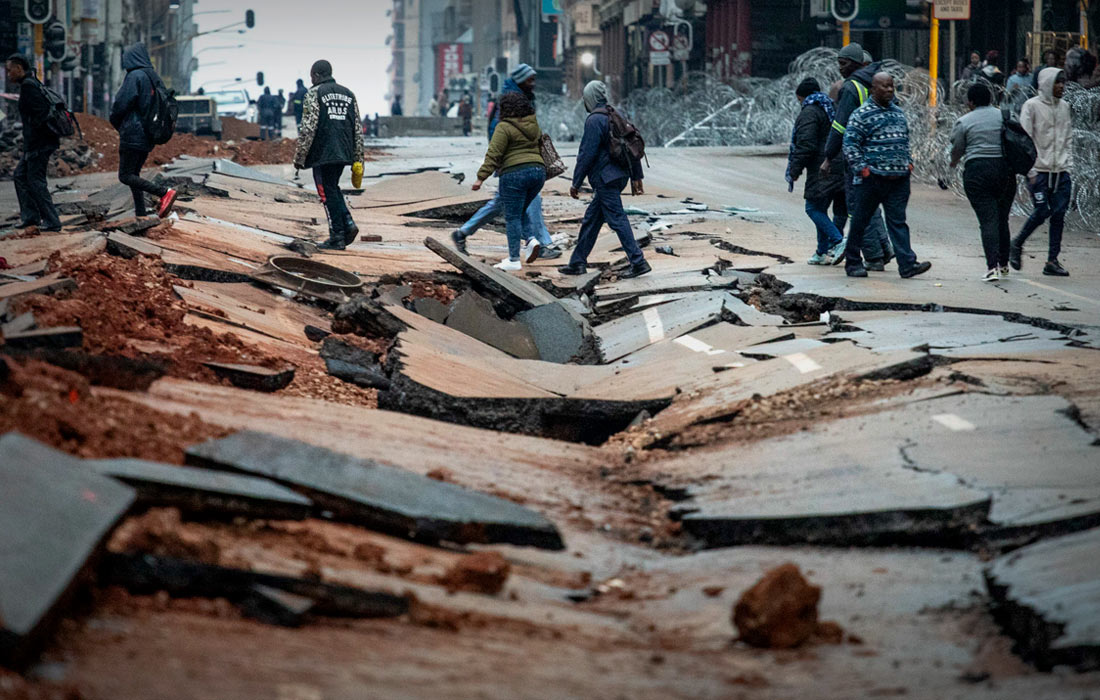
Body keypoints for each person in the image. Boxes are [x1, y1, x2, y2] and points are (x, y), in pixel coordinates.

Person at [451, 63, 561, 261]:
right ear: (520, 80)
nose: (533, 84)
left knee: (501, 203)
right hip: (513, 167)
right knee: (531, 203)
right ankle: (538, 245)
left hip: (519, 165)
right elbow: (497, 134)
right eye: (530, 80)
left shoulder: (522, 97)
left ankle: (462, 233)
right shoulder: (511, 100)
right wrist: (496, 165)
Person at [842, 72, 932, 280]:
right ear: (873, 89)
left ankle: (907, 265)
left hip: (898, 179)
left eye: (891, 86)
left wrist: (908, 162)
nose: (890, 90)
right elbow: (850, 144)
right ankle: (853, 262)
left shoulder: (898, 113)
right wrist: (863, 169)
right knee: (861, 222)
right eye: (884, 86)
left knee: (898, 222)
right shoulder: (861, 114)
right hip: (872, 179)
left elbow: (904, 141)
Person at [558, 81, 650, 279]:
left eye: (585, 98)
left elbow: (586, 154)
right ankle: (577, 262)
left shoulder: (594, 120)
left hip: (605, 178)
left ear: (590, 99)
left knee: (617, 219)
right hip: (619, 176)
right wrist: (636, 176)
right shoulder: (615, 115)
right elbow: (631, 145)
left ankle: (638, 261)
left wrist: (576, 182)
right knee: (592, 220)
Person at [823, 43, 893, 270]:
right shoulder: (875, 86)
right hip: (877, 152)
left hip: (856, 155)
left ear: (855, 64)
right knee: (872, 205)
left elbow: (840, 126)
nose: (840, 69)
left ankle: (873, 257)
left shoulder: (851, 88)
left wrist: (828, 155)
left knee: (858, 207)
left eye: (843, 64)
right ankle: (884, 250)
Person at [294, 59, 365, 250]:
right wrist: (358, 157)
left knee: (326, 192)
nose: (311, 80)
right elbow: (357, 127)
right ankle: (348, 224)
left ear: (316, 75)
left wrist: (300, 157)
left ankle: (337, 236)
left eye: (312, 77)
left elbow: (308, 127)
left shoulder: (314, 93)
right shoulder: (349, 94)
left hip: (323, 151)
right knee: (333, 188)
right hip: (344, 149)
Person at [470, 92, 546, 271]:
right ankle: (531, 240)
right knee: (519, 211)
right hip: (538, 172)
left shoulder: (503, 127)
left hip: (515, 174)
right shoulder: (534, 124)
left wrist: (481, 177)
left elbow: (494, 153)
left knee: (511, 216)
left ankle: (513, 259)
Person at [950, 83, 1016, 282]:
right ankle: (1004, 265)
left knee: (988, 220)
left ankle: (991, 267)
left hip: (977, 172)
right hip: (1005, 171)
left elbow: (957, 149)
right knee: (1002, 219)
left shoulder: (964, 121)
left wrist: (952, 163)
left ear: (970, 102)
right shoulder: (1005, 116)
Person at [1011, 68, 1073, 277]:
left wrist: (1068, 165)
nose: (1061, 86)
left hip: (1061, 170)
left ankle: (1052, 260)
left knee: (1059, 215)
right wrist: (1030, 171)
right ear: (1047, 84)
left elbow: (1068, 137)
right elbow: (1024, 139)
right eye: (1057, 82)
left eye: (1063, 83)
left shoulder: (1064, 107)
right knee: (1042, 211)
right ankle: (1017, 243)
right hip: (1039, 170)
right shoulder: (1032, 106)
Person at [109, 43, 177, 220]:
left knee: (125, 175)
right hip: (148, 134)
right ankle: (141, 213)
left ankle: (164, 193)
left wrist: (116, 122)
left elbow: (121, 104)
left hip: (133, 133)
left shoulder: (135, 76)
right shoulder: (153, 76)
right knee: (134, 174)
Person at [787, 78, 846, 265]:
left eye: (799, 101)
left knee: (812, 208)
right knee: (821, 209)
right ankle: (822, 252)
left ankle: (838, 241)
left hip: (823, 167)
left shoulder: (810, 112)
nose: (800, 104)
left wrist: (794, 170)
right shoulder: (832, 107)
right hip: (841, 164)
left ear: (803, 97)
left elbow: (806, 145)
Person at [6, 53, 63, 232]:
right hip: (36, 144)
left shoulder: (30, 87)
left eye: (9, 70)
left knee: (35, 180)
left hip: (39, 144)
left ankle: (52, 221)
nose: (8, 74)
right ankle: (31, 217)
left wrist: (35, 145)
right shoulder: (30, 83)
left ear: (19, 68)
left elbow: (41, 117)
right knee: (20, 176)